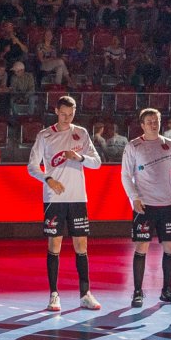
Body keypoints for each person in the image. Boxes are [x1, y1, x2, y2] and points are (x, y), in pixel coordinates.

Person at [28, 96, 104, 313]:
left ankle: (85, 294)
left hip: (78, 197)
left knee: (82, 246)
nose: (67, 118)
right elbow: (32, 166)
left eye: (70, 114)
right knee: (55, 245)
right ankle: (54, 294)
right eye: (63, 114)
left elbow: (97, 163)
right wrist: (48, 179)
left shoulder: (81, 133)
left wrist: (80, 158)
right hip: (54, 198)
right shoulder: (45, 135)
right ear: (56, 111)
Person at [121, 107, 171, 307]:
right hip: (144, 205)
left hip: (166, 205)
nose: (153, 124)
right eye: (149, 121)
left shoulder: (170, 144)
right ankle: (137, 292)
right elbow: (125, 175)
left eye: (156, 120)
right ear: (142, 125)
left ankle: (167, 290)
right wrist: (134, 198)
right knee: (142, 247)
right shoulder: (134, 146)